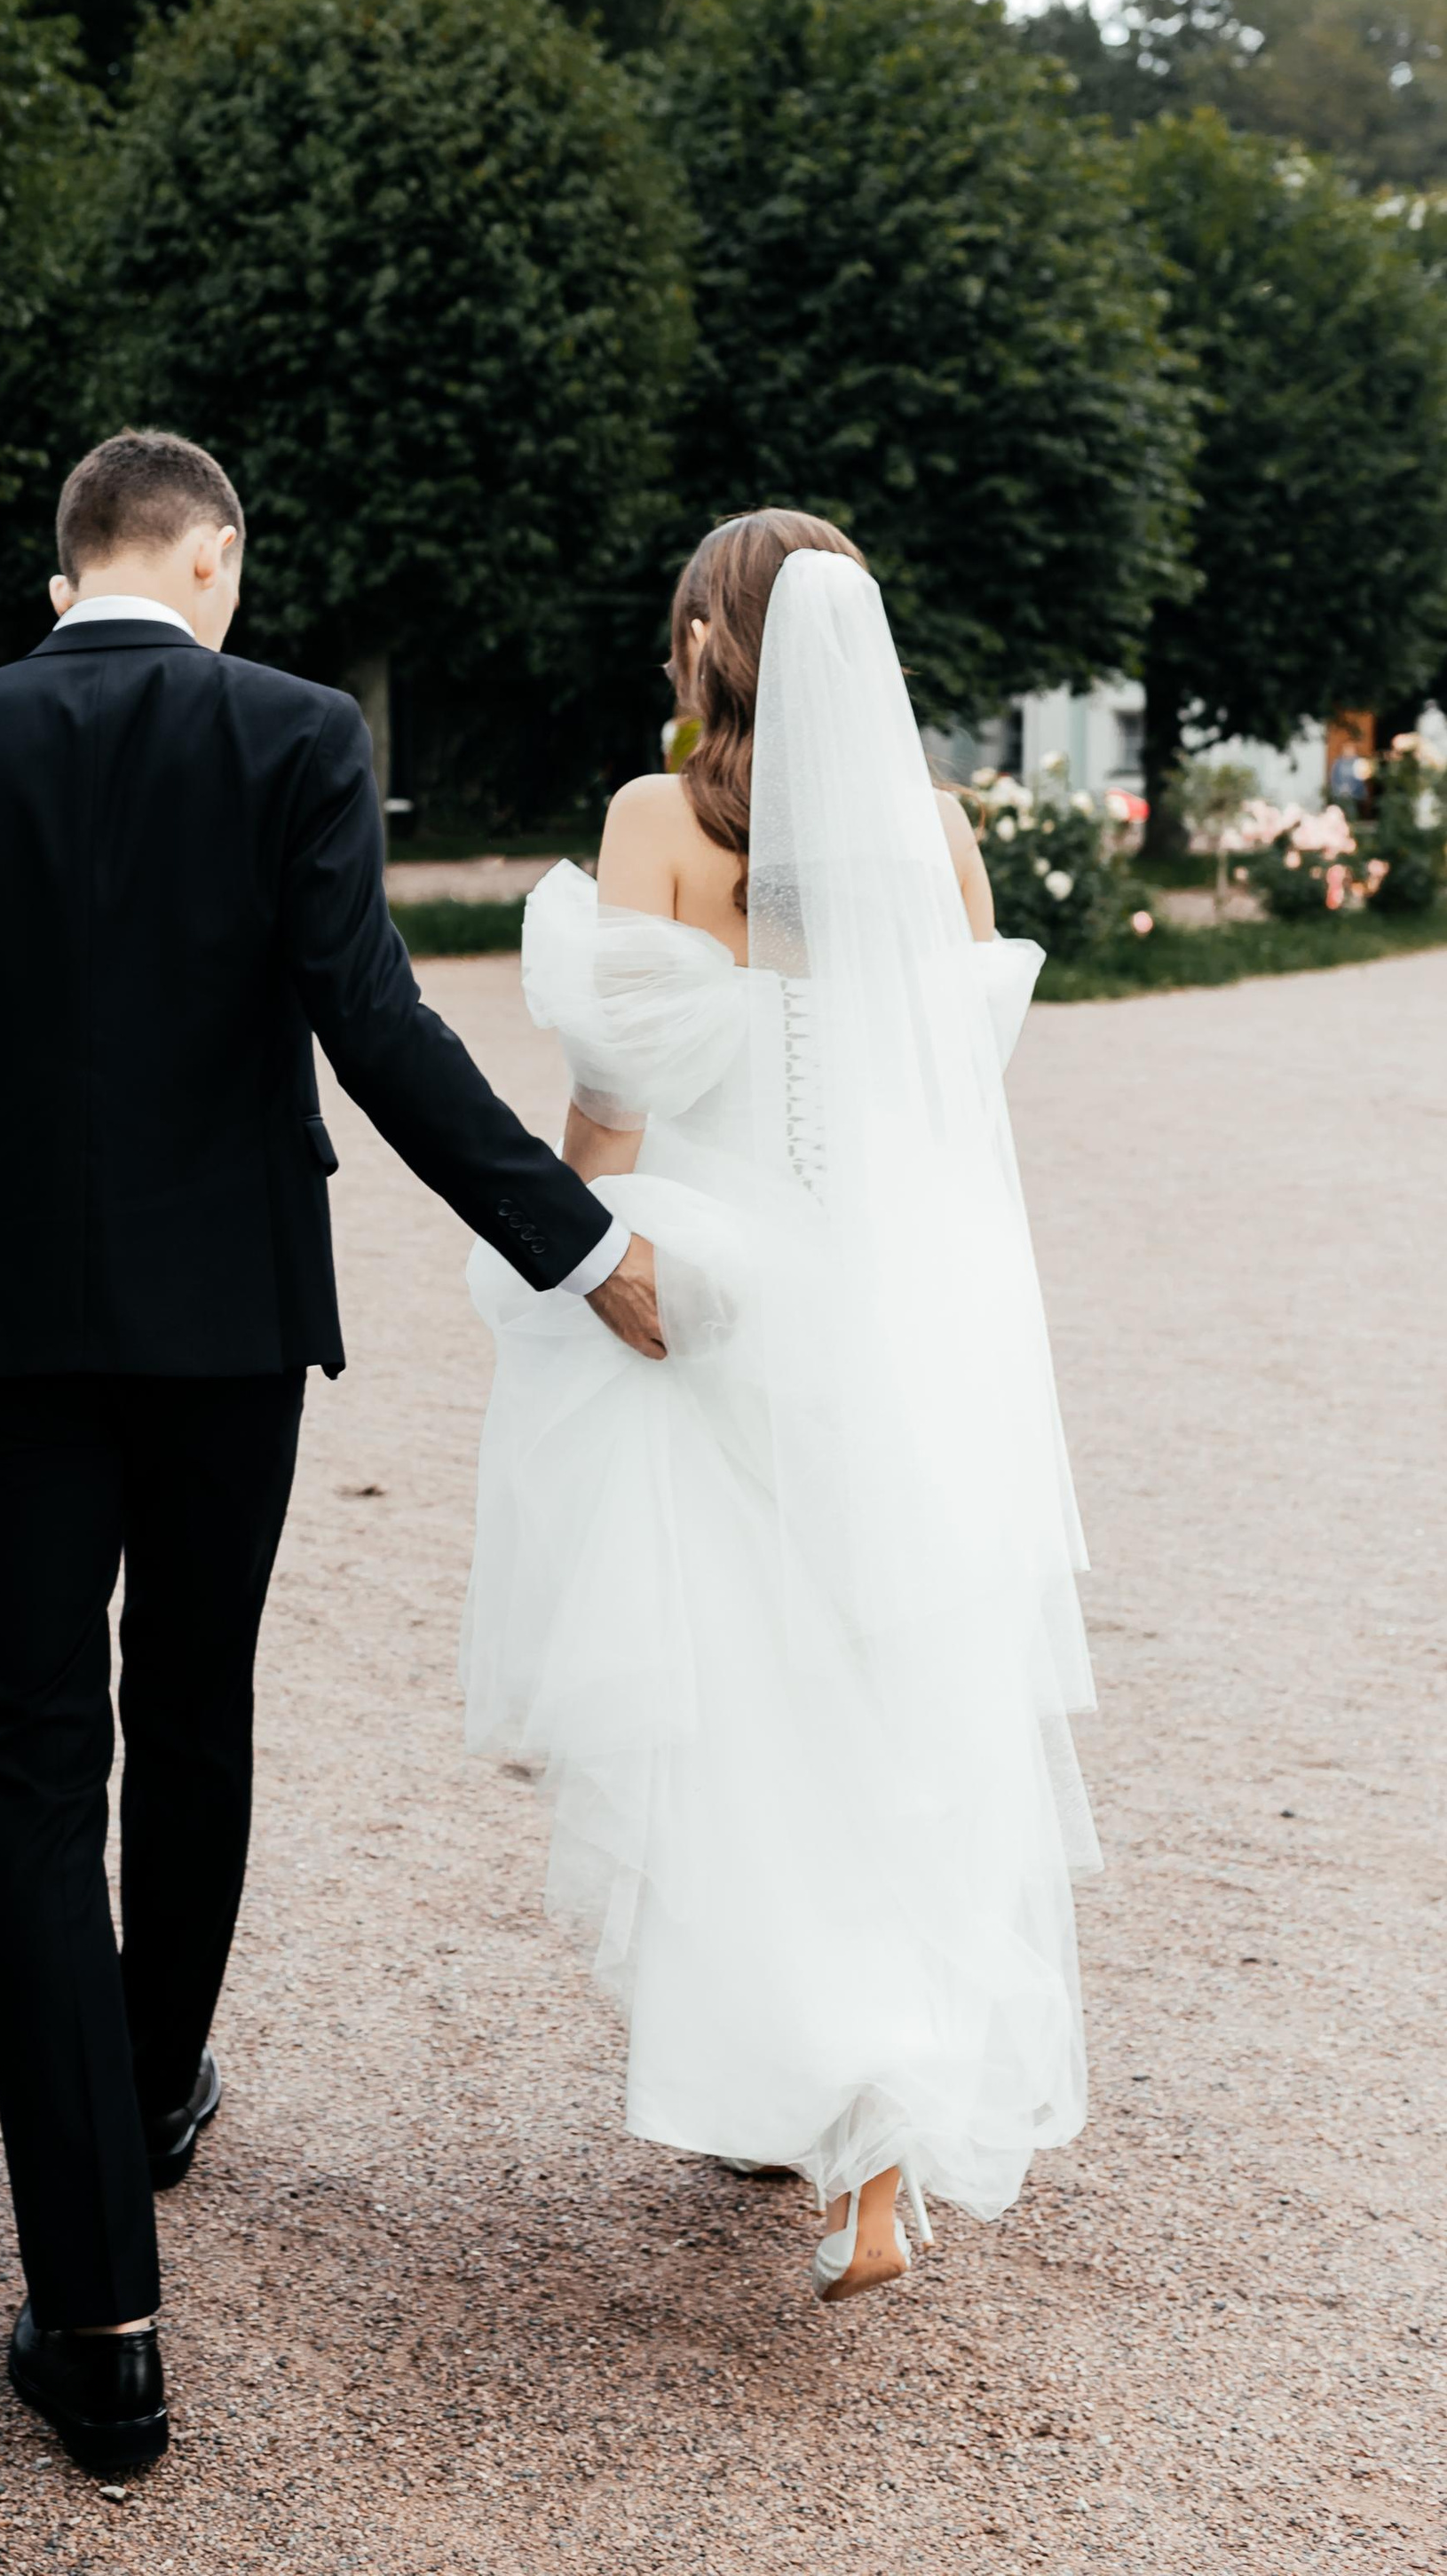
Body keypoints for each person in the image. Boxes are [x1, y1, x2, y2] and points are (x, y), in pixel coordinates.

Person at [0, 428, 664, 2470]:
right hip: (228, 1325)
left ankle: (100, 2326)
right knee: (192, 1706)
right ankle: (156, 2075)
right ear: (215, 560)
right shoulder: (293, 735)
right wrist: (578, 1244)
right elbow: (372, 1027)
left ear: (66, 568)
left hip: (2, 1332)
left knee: (32, 1783)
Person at [462, 511, 1097, 2301]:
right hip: (905, 1326)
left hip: (721, 1321)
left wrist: (564, 1264)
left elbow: (608, 1109)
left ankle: (788, 2073)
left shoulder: (653, 824)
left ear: (706, 642)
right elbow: (952, 1115)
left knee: (745, 1717)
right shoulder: (936, 837)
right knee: (899, 1708)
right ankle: (875, 2144)